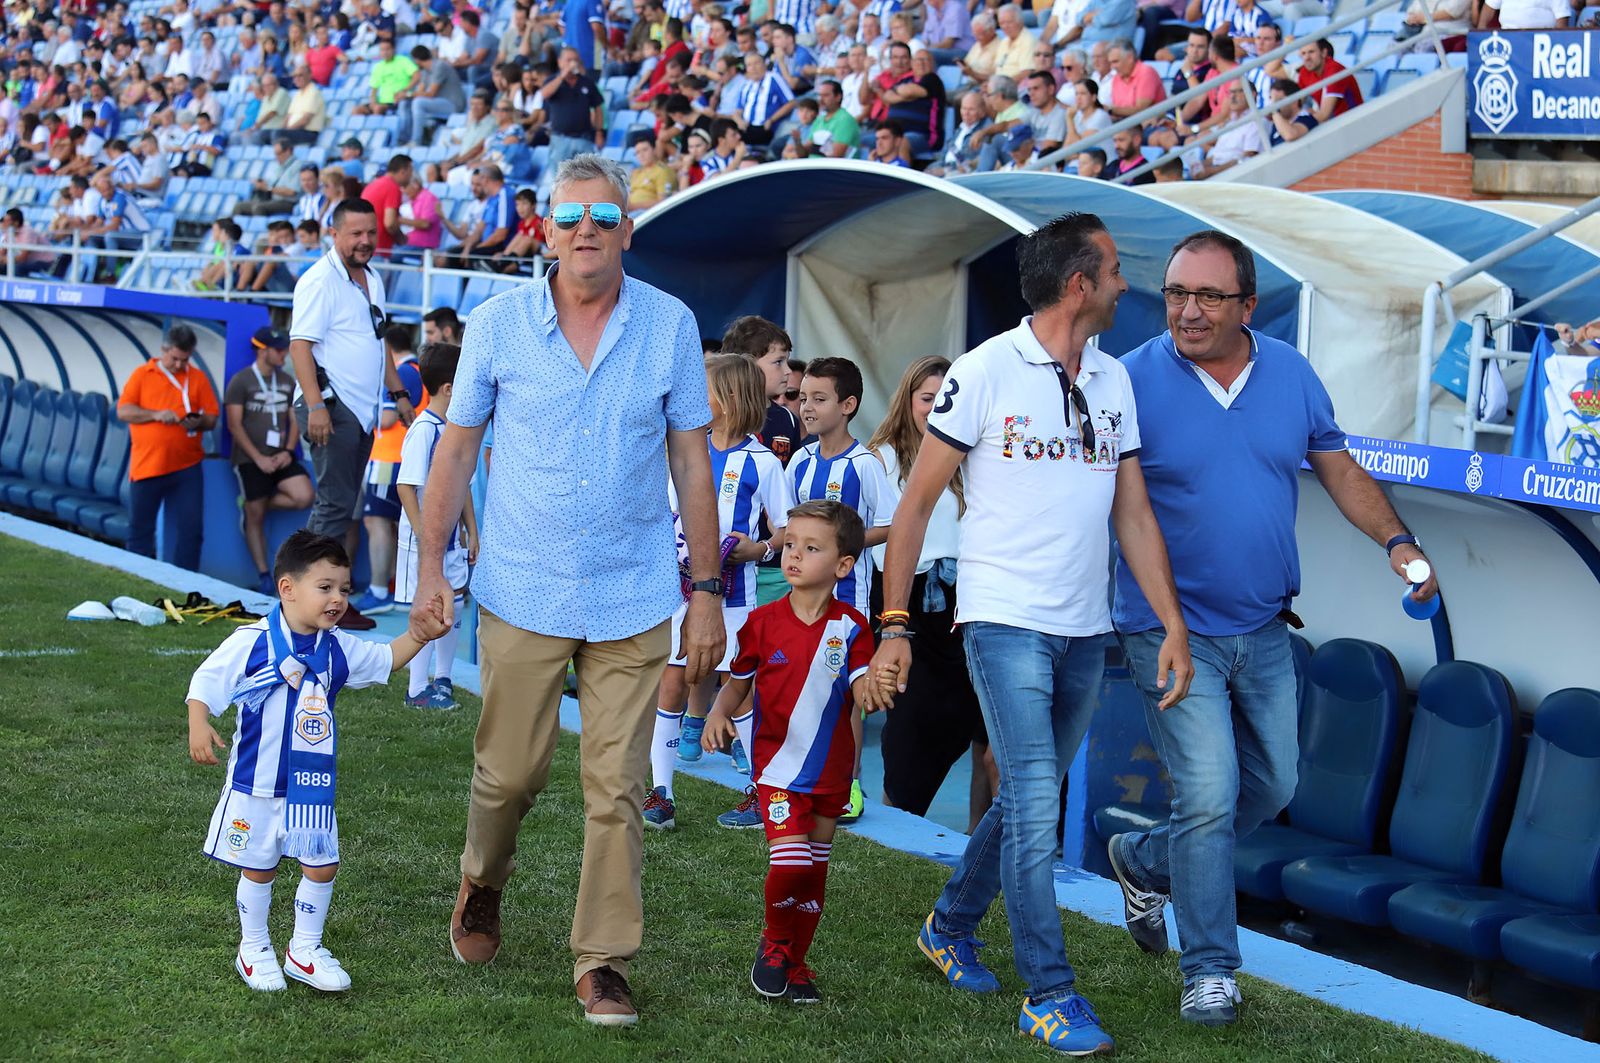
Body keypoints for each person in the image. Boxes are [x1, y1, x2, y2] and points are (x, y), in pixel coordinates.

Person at [866, 212, 1193, 1056]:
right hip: (1003, 618)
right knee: (1036, 794)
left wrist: (1172, 623)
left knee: (1022, 797)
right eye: (1114, 271)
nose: (1125, 285)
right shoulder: (983, 370)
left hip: (1086, 628)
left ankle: (949, 923)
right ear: (1079, 284)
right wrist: (895, 624)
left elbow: (1133, 513)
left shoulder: (1115, 379)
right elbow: (915, 506)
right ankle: (1048, 991)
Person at [412, 156, 725, 1028]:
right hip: (523, 586)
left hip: (633, 593)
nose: (587, 228)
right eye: (569, 216)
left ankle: (603, 958)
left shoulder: (669, 324)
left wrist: (706, 588)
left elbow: (692, 461)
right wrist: (432, 568)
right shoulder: (497, 324)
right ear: (545, 231)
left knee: (617, 787)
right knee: (509, 774)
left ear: (629, 228)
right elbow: (456, 452)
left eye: (604, 215)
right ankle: (483, 879)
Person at [1105, 229, 1438, 1026]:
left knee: (1276, 784)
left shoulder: (1290, 372)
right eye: (1176, 293)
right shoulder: (1128, 379)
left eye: (1207, 296)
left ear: (1248, 305)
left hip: (1263, 627)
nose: (1187, 310)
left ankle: (1146, 857)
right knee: (1209, 793)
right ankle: (1210, 970)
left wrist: (1398, 542)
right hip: (1167, 629)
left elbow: (1338, 467)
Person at [186, 530, 449, 994]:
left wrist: (418, 636)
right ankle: (253, 948)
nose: (337, 599)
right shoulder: (252, 640)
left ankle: (303, 950)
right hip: (257, 784)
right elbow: (207, 681)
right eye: (325, 587)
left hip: (311, 787)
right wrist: (199, 722)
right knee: (259, 867)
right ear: (287, 588)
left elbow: (386, 659)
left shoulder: (338, 646)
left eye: (344, 589)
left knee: (322, 865)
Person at [700, 499, 882, 1004]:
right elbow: (738, 683)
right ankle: (775, 943)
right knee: (792, 862)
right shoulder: (761, 622)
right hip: (777, 769)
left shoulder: (852, 627)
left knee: (814, 872)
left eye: (811, 548)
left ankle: (797, 963)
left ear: (844, 565)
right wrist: (717, 713)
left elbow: (861, 687)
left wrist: (875, 689)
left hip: (831, 774)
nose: (794, 555)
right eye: (790, 545)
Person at [644, 354, 795, 830]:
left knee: (739, 685)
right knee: (672, 678)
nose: (694, 400)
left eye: (703, 392)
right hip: (679, 591)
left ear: (727, 400)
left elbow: (787, 529)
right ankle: (661, 791)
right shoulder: (682, 450)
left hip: (735, 598)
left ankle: (761, 793)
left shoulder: (763, 462)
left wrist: (759, 549)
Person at [866, 356, 987, 821]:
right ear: (907, 401)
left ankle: (979, 842)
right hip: (908, 602)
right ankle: (896, 830)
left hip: (966, 603)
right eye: (927, 398)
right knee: (911, 726)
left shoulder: (972, 456)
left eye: (944, 399)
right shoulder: (881, 457)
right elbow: (855, 528)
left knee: (982, 727)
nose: (936, 409)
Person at [289, 199, 417, 630]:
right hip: (331, 404)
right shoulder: (319, 280)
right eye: (356, 233)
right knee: (334, 506)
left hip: (361, 411)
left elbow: (379, 343)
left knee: (341, 508)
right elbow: (299, 347)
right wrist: (316, 406)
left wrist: (398, 393)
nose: (365, 241)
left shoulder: (372, 278)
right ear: (334, 234)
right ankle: (310, 601)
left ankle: (321, 599)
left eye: (371, 233)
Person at [780, 355, 896, 824]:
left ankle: (849, 782)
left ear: (847, 405)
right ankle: (798, 776)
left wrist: (839, 547)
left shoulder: (864, 465)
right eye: (804, 397)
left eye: (819, 399)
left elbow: (890, 523)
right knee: (800, 686)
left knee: (846, 691)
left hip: (848, 601)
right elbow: (786, 523)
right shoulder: (800, 462)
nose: (807, 407)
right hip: (798, 601)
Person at [394, 342, 478, 711]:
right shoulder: (424, 429)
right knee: (429, 607)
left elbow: (463, 485)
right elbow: (405, 486)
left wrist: (471, 529)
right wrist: (424, 535)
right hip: (428, 543)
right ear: (448, 388)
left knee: (454, 604)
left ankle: (443, 678)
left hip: (452, 541)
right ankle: (416, 688)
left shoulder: (453, 430)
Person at [116, 325, 220, 570]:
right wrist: (156, 414)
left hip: (187, 465)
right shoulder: (143, 374)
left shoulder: (197, 377)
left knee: (191, 529)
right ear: (164, 350)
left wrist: (198, 421)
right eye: (174, 358)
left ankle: (185, 580)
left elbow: (212, 417)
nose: (179, 365)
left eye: (185, 360)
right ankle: (136, 575)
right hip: (148, 466)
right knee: (140, 529)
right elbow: (124, 411)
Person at [225, 328, 314, 594]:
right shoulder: (241, 381)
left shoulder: (286, 380)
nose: (284, 353)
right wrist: (258, 458)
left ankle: (254, 503)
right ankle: (264, 574)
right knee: (256, 516)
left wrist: (287, 451)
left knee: (304, 496)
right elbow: (234, 425)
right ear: (262, 350)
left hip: (281, 456)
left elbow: (294, 419)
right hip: (251, 459)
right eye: (278, 349)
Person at [352, 323, 427, 617]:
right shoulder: (416, 369)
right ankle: (396, 584)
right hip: (403, 457)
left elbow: (385, 419)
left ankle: (379, 590)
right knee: (397, 524)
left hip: (388, 459)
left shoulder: (400, 372)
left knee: (377, 521)